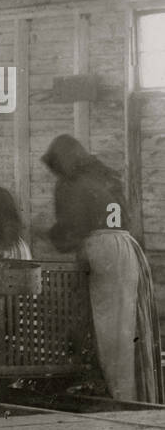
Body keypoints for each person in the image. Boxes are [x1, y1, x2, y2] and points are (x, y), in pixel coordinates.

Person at [43, 134, 163, 402]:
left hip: (101, 251)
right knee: (127, 329)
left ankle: (119, 398)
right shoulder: (105, 175)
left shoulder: (70, 182)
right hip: (127, 249)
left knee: (109, 334)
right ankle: (133, 395)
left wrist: (48, 235)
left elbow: (70, 230)